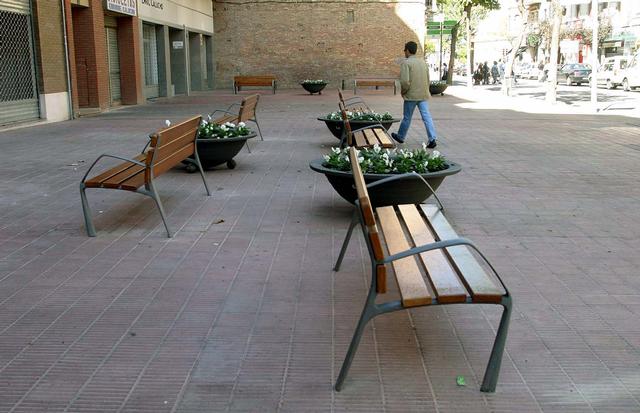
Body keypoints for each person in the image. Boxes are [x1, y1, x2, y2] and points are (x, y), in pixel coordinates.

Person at [391, 41, 437, 148]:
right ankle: (432, 138)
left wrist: (403, 92)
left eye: (405, 51)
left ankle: (401, 136)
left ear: (407, 50)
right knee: (426, 116)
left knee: (407, 117)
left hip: (411, 95)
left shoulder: (406, 63)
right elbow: (428, 79)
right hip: (423, 95)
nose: (404, 53)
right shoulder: (423, 63)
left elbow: (404, 82)